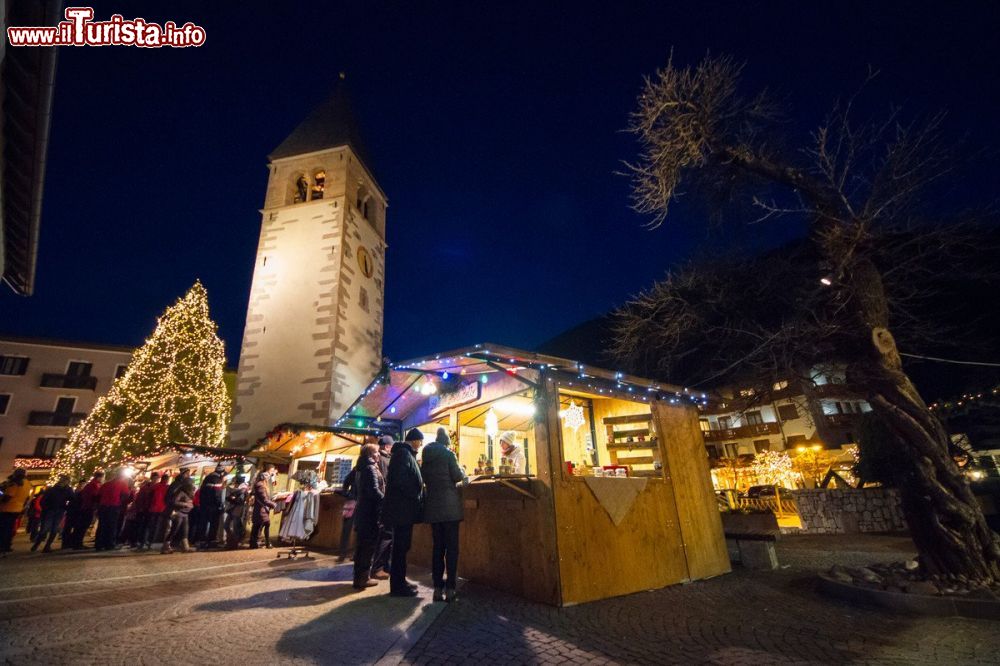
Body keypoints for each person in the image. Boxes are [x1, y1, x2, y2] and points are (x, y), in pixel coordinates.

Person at [421, 428, 469, 602]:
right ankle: (450, 588)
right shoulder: (448, 455)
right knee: (452, 549)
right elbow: (456, 476)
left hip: (433, 508)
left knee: (437, 549)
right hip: (450, 509)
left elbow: (424, 478)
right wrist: (463, 472)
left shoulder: (426, 458)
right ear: (446, 442)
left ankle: (437, 589)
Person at [381, 428, 425, 597]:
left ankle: (401, 581)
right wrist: (414, 494)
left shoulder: (405, 454)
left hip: (403, 510)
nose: (421, 445)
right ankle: (398, 586)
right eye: (420, 441)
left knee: (402, 546)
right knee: (400, 547)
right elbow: (400, 480)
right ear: (414, 440)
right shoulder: (403, 454)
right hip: (401, 510)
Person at [352, 443, 386, 590]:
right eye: (377, 452)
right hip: (370, 513)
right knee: (368, 546)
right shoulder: (370, 468)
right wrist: (386, 500)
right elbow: (374, 490)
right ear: (371, 455)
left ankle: (360, 577)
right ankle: (363, 578)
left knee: (362, 547)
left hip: (363, 512)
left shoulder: (360, 468)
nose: (379, 455)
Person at [371, 435, 395, 579]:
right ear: (387, 447)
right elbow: (387, 481)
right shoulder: (384, 460)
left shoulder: (376, 460)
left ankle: (382, 566)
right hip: (385, 503)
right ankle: (379, 567)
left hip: (379, 504)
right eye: (391, 446)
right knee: (386, 535)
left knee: (384, 535)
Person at [31, 475, 74, 553]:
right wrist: (46, 509)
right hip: (50, 511)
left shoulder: (67, 490)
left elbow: (72, 498)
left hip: (58, 511)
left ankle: (47, 546)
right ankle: (37, 545)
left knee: (53, 529)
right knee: (45, 529)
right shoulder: (52, 489)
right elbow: (43, 501)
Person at [95, 469, 130, 551]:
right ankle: (109, 544)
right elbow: (126, 495)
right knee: (112, 526)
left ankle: (99, 544)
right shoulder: (122, 484)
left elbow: (98, 496)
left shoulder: (106, 484)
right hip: (113, 506)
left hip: (103, 506)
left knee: (102, 526)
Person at [161, 470, 195, 554]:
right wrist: (185, 504)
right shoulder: (180, 490)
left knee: (185, 529)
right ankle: (166, 546)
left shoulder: (188, 492)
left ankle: (185, 546)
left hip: (185, 513)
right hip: (178, 512)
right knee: (174, 529)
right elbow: (173, 501)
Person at [69, 470, 104, 549]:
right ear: (99, 477)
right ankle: (77, 543)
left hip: (86, 506)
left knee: (82, 526)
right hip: (88, 507)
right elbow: (95, 496)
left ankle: (76, 542)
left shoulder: (91, 484)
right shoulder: (94, 485)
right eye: (102, 478)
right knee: (83, 525)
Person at [0, 468, 32, 553]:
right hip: (18, 508)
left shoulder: (15, 483)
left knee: (3, 528)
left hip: (7, 508)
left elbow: (8, 496)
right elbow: (27, 498)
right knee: (10, 528)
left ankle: (2, 545)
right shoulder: (28, 483)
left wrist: (1, 497)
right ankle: (7, 545)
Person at [198, 465, 226, 548]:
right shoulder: (217, 480)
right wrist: (220, 505)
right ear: (221, 472)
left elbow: (201, 491)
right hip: (213, 506)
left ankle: (201, 541)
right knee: (214, 524)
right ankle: (211, 542)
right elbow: (217, 494)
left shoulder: (207, 478)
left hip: (204, 505)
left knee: (203, 523)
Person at [130, 472, 159, 550]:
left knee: (146, 526)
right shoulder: (147, 487)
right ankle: (140, 542)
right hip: (145, 509)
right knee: (143, 526)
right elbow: (140, 498)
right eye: (155, 478)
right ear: (152, 478)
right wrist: (139, 507)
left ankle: (143, 541)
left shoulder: (153, 487)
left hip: (150, 509)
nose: (156, 480)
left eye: (157, 478)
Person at [249, 471, 276, 549]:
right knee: (266, 524)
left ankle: (253, 544)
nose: (268, 480)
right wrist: (273, 504)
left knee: (256, 526)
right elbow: (264, 499)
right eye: (267, 478)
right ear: (265, 479)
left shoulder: (260, 485)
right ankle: (267, 544)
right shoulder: (261, 486)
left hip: (259, 510)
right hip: (261, 510)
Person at [143, 472, 170, 549]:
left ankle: (146, 541)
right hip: (161, 509)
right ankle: (151, 541)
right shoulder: (167, 487)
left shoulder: (155, 486)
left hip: (153, 508)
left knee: (149, 525)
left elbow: (149, 496)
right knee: (157, 526)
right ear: (167, 480)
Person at [336, 465, 357, 562]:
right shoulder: (358, 469)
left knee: (351, 529)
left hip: (358, 502)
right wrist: (349, 495)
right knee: (348, 529)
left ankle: (348, 554)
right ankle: (343, 553)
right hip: (355, 502)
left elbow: (346, 482)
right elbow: (346, 483)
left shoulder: (358, 468)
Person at [223, 475, 249, 549]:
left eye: (235, 480)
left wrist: (232, 498)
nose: (234, 482)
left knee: (235, 527)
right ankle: (232, 540)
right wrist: (232, 498)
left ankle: (234, 543)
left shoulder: (243, 489)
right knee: (226, 525)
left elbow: (240, 500)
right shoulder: (238, 489)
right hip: (232, 509)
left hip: (237, 509)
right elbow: (231, 498)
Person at [61, 480, 87, 548]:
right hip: (74, 511)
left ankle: (68, 542)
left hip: (74, 511)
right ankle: (68, 543)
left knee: (70, 528)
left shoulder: (75, 491)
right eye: (82, 485)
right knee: (71, 527)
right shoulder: (77, 492)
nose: (83, 486)